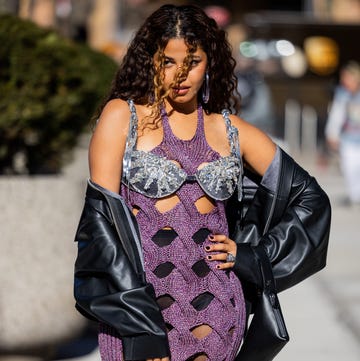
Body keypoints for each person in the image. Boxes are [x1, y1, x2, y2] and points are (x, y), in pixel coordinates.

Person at [73, 4, 331, 361]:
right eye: (167, 61)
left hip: (216, 300)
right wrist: (142, 324)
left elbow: (310, 200)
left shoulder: (230, 130)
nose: (180, 75)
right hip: (140, 301)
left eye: (192, 62)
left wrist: (255, 256)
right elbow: (101, 227)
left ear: (210, 62)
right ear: (150, 61)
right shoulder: (123, 116)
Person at [325, 61, 360, 206]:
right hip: (349, 138)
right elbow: (336, 115)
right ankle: (355, 197)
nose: (344, 81)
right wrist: (332, 134)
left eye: (346, 77)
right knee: (349, 167)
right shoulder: (342, 94)